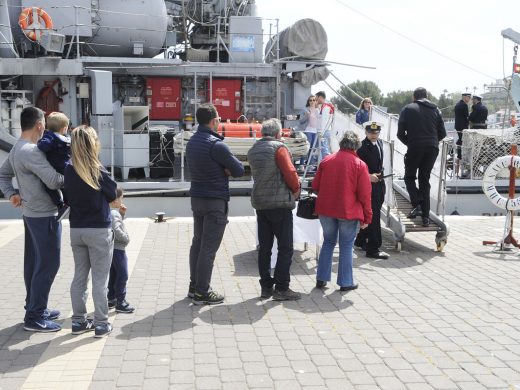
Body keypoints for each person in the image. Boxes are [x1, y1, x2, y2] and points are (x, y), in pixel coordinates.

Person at [0, 106, 63, 332]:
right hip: (44, 215)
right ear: (39, 125)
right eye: (44, 123)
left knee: (34, 263)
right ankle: (35, 317)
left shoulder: (18, 148)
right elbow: (55, 181)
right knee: (49, 264)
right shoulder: (32, 152)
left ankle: (35, 307)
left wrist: (11, 194)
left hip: (30, 214)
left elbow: (2, 174)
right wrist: (75, 172)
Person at [186, 103, 244, 305]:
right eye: (218, 119)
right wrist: (224, 169)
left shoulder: (191, 142)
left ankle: (194, 286)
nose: (220, 122)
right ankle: (203, 292)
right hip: (215, 201)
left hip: (197, 199)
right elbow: (238, 170)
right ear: (213, 121)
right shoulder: (216, 145)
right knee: (208, 248)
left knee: (198, 243)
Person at [64, 125, 117, 338]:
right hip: (98, 229)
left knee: (79, 277)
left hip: (77, 228)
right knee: (100, 279)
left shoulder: (69, 168)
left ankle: (78, 322)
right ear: (93, 144)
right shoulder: (98, 169)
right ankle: (101, 323)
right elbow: (113, 193)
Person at [247, 118, 302, 301]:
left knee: (265, 248)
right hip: (279, 204)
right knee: (286, 247)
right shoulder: (279, 148)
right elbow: (290, 173)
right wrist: (296, 191)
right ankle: (282, 287)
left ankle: (265, 287)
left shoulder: (253, 150)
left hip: (261, 203)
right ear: (278, 133)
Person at [312, 131, 372, 291]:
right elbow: (365, 194)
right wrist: (367, 217)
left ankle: (321, 278)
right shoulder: (359, 165)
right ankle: (345, 282)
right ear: (356, 146)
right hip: (348, 211)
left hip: (326, 209)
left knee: (328, 242)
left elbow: (315, 185)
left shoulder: (326, 160)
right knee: (346, 245)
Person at [397, 87, 447, 227]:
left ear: (414, 97)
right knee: (424, 180)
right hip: (432, 148)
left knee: (409, 177)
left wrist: (411, 143)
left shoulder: (407, 109)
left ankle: (417, 203)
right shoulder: (436, 109)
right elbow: (442, 133)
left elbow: (400, 133)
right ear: (427, 96)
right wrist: (432, 141)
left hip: (415, 147)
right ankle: (425, 217)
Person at [354, 122, 389, 260]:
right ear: (366, 132)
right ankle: (373, 248)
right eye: (371, 132)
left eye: (376, 132)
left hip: (379, 183)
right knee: (373, 217)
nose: (373, 135)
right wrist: (369, 177)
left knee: (374, 212)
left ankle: (360, 240)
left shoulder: (380, 143)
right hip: (369, 184)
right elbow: (359, 168)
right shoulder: (362, 147)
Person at [107, 187, 134, 313]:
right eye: (121, 197)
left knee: (113, 274)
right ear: (115, 200)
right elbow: (117, 229)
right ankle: (121, 301)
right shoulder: (114, 213)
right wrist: (126, 239)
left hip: (111, 248)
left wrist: (122, 214)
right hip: (118, 249)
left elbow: (114, 225)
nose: (122, 200)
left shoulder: (110, 212)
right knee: (123, 274)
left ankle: (111, 298)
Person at [298, 95, 319, 169]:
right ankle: (301, 164)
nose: (312, 102)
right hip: (308, 130)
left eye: (314, 100)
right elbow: (300, 121)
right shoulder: (305, 110)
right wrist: (307, 115)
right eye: (310, 100)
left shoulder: (318, 110)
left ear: (316, 101)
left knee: (313, 149)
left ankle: (310, 165)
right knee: (307, 147)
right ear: (308, 102)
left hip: (315, 131)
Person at [315, 91, 335, 160]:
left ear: (320, 97)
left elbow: (325, 121)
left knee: (324, 149)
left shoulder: (326, 107)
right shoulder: (323, 106)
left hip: (324, 131)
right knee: (322, 149)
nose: (316, 99)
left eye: (317, 97)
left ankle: (327, 163)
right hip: (324, 131)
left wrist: (321, 132)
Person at [454, 93, 471, 159]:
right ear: (464, 97)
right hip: (462, 126)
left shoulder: (458, 104)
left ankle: (458, 153)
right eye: (468, 97)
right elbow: (466, 116)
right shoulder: (464, 105)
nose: (469, 98)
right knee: (462, 139)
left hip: (458, 125)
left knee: (461, 139)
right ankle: (459, 154)